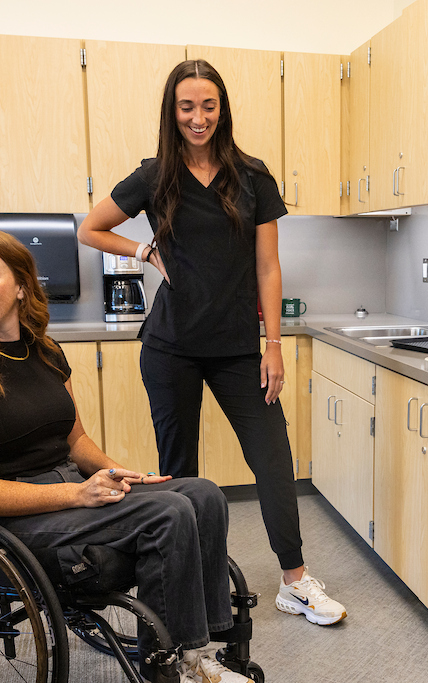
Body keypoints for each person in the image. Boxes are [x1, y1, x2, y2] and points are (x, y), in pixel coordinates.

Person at [0, 230, 256, 683]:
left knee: (200, 493)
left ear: (22, 287)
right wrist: (78, 492)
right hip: (13, 519)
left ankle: (190, 656)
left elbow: (75, 441)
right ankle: (162, 681)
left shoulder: (45, 352)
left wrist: (118, 473)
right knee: (167, 514)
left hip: (70, 493)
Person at [78, 59, 346, 626]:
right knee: (182, 474)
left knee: (273, 457)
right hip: (170, 347)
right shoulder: (154, 177)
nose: (198, 117)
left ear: (222, 109)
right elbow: (90, 228)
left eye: (208, 105)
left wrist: (272, 344)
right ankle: (196, 587)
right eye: (186, 106)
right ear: (172, 113)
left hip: (237, 350)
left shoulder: (252, 176)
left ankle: (294, 582)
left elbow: (268, 268)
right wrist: (142, 251)